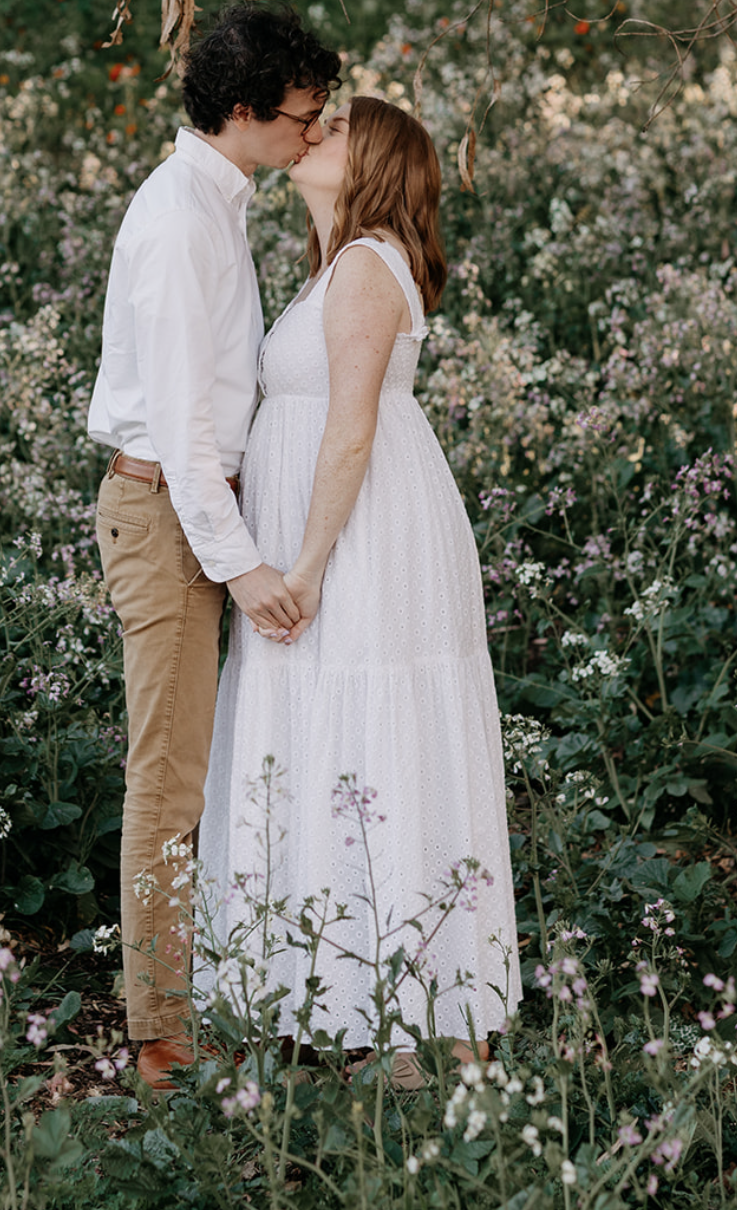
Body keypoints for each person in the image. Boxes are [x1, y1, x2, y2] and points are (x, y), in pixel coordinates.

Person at [201, 97, 523, 1075]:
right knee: (321, 745)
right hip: (333, 528)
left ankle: (413, 1023)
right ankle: (337, 997)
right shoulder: (334, 267)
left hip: (361, 540)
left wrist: (300, 567)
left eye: (336, 128)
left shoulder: (365, 265)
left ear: (374, 162)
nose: (313, 133)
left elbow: (349, 432)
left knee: (376, 745)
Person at [88, 3, 341, 1090]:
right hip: (168, 518)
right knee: (171, 775)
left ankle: (207, 984)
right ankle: (159, 1027)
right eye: (303, 116)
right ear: (244, 112)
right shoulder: (185, 219)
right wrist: (239, 563)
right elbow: (188, 427)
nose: (314, 135)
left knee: (197, 766)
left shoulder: (215, 199)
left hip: (193, 510)